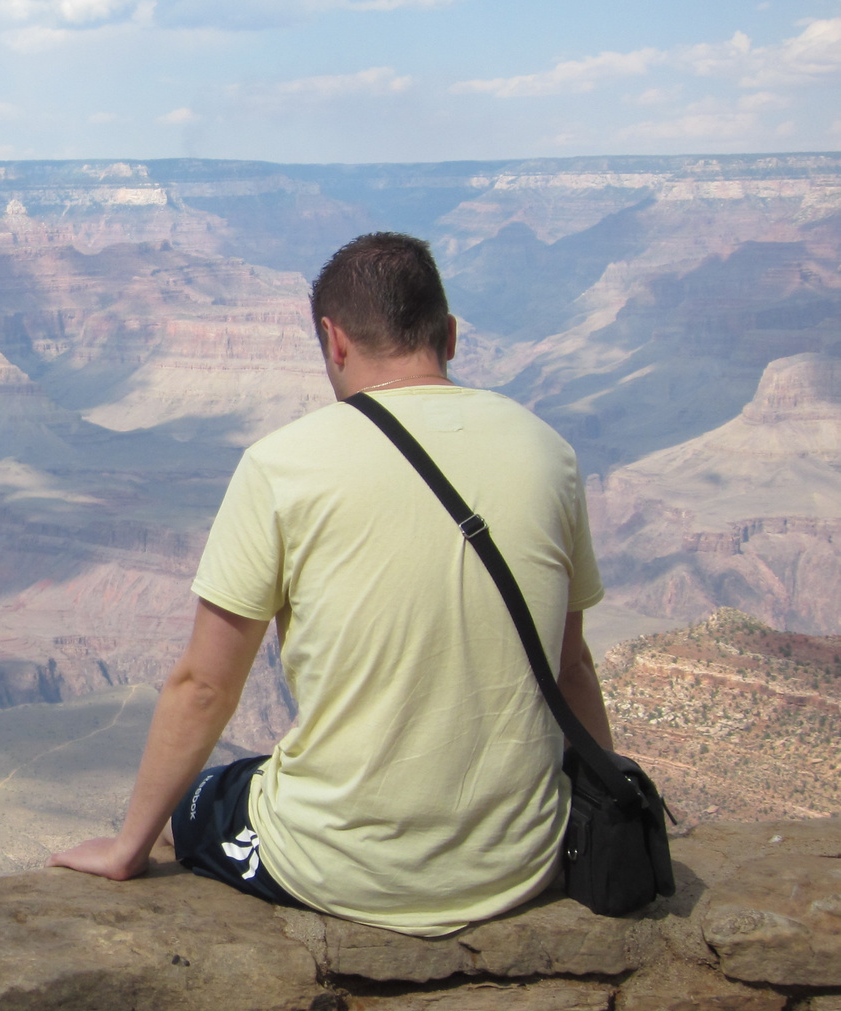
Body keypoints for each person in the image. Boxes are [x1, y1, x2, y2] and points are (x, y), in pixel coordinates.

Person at [48, 232, 614, 937]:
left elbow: (204, 686)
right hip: (519, 862)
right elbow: (572, 666)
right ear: (452, 335)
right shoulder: (547, 452)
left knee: (204, 798)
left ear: (333, 340)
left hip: (338, 868)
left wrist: (128, 848)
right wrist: (612, 804)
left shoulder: (282, 464)